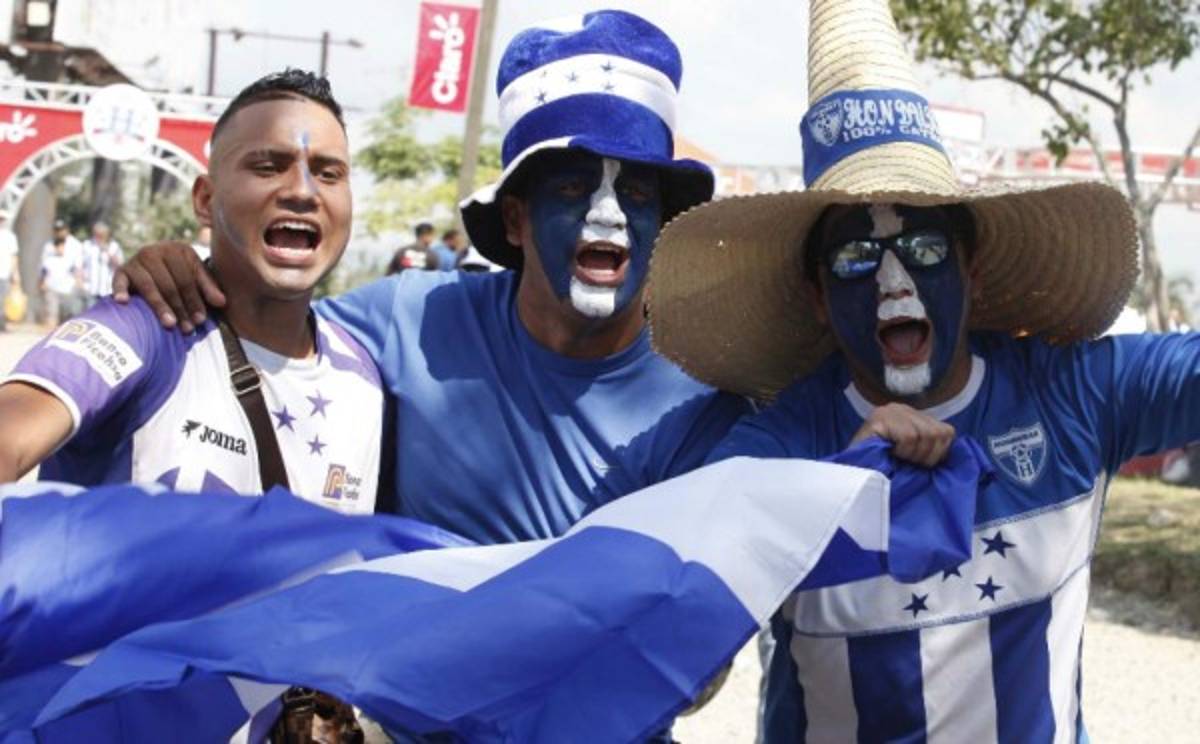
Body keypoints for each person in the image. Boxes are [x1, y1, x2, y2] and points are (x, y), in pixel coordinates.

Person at [648, 0, 1196, 741]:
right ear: (815, 295)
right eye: (855, 257)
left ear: (971, 268)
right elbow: (677, 664)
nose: (893, 283)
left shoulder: (1076, 392)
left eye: (927, 249)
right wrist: (822, 501)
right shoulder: (775, 448)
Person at [112, 10, 749, 547]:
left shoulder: (702, 393)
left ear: (663, 222)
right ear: (516, 218)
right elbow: (259, 316)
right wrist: (175, 269)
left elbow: (699, 634)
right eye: (575, 188)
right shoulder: (411, 319)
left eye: (636, 193)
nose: (608, 215)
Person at [0, 70, 383, 524]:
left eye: (328, 173)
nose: (303, 191)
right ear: (204, 199)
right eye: (267, 166)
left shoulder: (364, 375)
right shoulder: (142, 329)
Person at [39, 220, 83, 325]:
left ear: (67, 230)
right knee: (51, 315)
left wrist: (78, 282)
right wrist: (42, 281)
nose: (59, 232)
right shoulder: (48, 245)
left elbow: (78, 266)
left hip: (68, 285)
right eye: (57, 230)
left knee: (68, 317)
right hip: (51, 284)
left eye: (61, 230)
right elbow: (43, 266)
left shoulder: (75, 245)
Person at [80, 220, 123, 309]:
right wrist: (80, 283)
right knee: (90, 316)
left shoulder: (114, 246)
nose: (98, 237)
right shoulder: (87, 245)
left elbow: (119, 266)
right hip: (90, 289)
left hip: (107, 290)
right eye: (97, 234)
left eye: (101, 234)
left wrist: (107, 251)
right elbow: (79, 265)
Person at [0, 214, 20, 331]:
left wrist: (15, 273)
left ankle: (2, 323)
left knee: (4, 300)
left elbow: (14, 256)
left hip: (4, 273)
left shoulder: (9, 237)